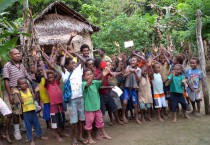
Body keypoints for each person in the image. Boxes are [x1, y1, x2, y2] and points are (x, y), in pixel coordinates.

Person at [3, 48, 31, 140]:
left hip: (24, 90)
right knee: (16, 111)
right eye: (15, 54)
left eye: (19, 53)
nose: (18, 55)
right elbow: (6, 81)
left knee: (25, 109)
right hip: (14, 90)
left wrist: (33, 84)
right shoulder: (7, 66)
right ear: (10, 55)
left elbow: (27, 76)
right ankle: (16, 130)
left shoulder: (21, 65)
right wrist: (10, 95)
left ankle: (24, 126)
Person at [60, 47, 87, 145]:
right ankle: (73, 139)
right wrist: (65, 53)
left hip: (80, 98)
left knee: (81, 119)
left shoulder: (78, 70)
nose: (74, 64)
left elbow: (84, 60)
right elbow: (62, 64)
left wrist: (74, 53)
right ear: (67, 66)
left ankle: (80, 137)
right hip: (72, 100)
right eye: (72, 63)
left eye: (74, 63)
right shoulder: (65, 73)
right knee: (73, 121)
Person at [82, 68, 111, 144]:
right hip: (89, 109)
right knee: (89, 123)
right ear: (83, 77)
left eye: (90, 74)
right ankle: (89, 138)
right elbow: (87, 84)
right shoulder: (83, 84)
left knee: (100, 121)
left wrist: (104, 76)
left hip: (97, 107)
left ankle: (103, 133)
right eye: (87, 75)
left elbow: (101, 82)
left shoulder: (95, 82)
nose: (90, 76)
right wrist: (93, 76)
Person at [17, 77, 48, 145]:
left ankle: (40, 135)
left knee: (37, 123)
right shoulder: (20, 92)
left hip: (33, 110)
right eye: (22, 84)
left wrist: (36, 92)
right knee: (28, 126)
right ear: (19, 85)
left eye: (25, 83)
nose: (24, 85)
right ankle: (30, 140)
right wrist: (18, 94)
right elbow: (22, 102)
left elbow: (34, 99)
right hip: (26, 112)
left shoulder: (30, 90)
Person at [41, 61, 65, 142]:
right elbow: (45, 77)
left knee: (62, 119)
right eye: (49, 78)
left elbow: (60, 74)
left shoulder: (56, 82)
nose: (51, 79)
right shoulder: (47, 85)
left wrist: (53, 67)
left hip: (60, 105)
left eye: (52, 77)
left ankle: (61, 132)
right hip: (53, 106)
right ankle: (57, 135)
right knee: (54, 121)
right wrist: (43, 68)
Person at [122, 56, 141, 124]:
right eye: (131, 60)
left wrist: (135, 73)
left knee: (135, 105)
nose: (132, 61)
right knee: (124, 102)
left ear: (137, 62)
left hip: (134, 89)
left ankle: (136, 118)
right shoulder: (128, 68)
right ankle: (123, 116)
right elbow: (124, 76)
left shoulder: (139, 70)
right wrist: (130, 71)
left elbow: (139, 80)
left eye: (134, 60)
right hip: (127, 88)